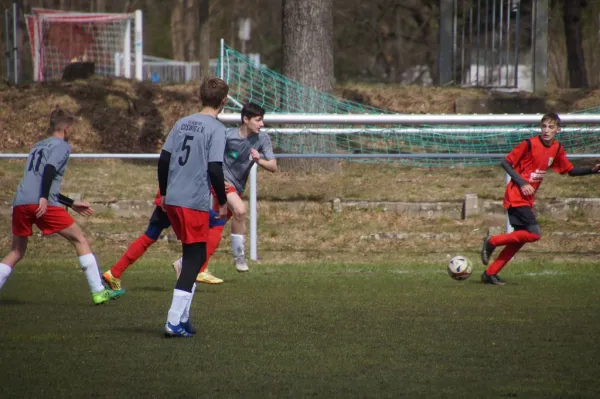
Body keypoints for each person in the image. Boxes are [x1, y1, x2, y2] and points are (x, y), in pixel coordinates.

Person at [0, 107, 124, 304]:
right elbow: (49, 170)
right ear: (66, 128)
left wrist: (71, 203)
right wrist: (42, 198)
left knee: (17, 251)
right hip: (41, 203)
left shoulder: (38, 146)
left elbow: (39, 178)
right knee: (80, 239)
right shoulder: (62, 146)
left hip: (21, 202)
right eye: (71, 128)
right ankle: (99, 291)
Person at [480, 112, 600, 285]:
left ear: (557, 130)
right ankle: (492, 241)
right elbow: (505, 162)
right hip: (516, 196)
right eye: (544, 126)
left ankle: (490, 273)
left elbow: (570, 170)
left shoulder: (556, 148)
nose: (546, 130)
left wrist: (592, 170)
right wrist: (521, 182)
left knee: (519, 239)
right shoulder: (528, 144)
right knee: (534, 234)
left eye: (551, 127)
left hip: (527, 199)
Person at [171, 102, 277, 280]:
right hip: (223, 183)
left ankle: (188, 264)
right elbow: (207, 155)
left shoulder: (262, 139)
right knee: (240, 210)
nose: (262, 124)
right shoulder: (227, 136)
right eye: (258, 120)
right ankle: (239, 256)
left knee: (215, 226)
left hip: (238, 187)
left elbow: (273, 166)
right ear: (246, 119)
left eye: (262, 121)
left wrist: (259, 161)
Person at [159, 76, 229, 338]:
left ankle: (184, 318)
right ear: (223, 101)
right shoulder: (216, 129)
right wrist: (222, 201)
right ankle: (173, 321)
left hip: (175, 197)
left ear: (201, 97)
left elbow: (164, 160)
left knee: (196, 256)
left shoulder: (181, 123)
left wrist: (164, 192)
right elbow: (214, 167)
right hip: (193, 201)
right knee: (193, 259)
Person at [101, 194, 226, 291]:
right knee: (217, 222)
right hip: (182, 200)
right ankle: (199, 269)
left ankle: (114, 272)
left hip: (167, 197)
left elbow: (165, 165)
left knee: (149, 236)